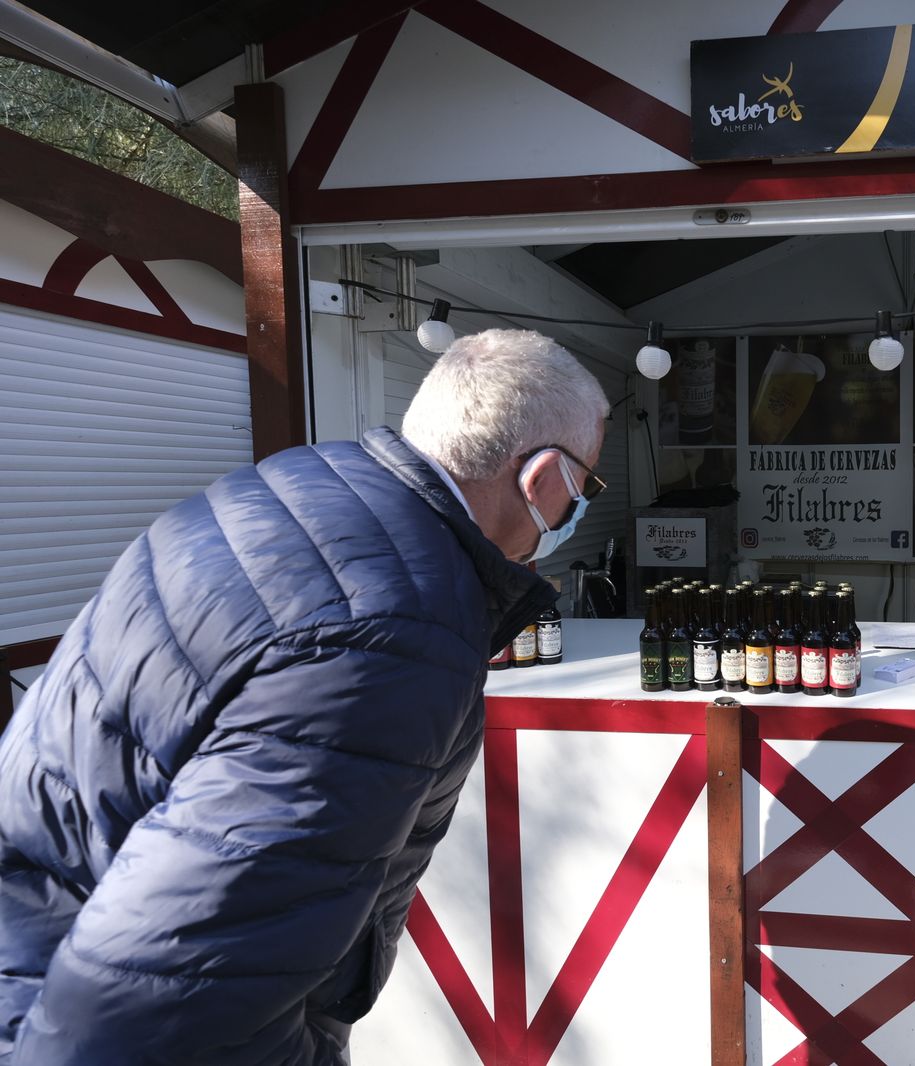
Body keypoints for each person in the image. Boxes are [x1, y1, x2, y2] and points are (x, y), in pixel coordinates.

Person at [0, 329, 608, 1064]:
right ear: (543, 477)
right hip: (62, 1003)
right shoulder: (400, 632)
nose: (580, 506)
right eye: (586, 486)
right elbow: (182, 981)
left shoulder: (285, 490)